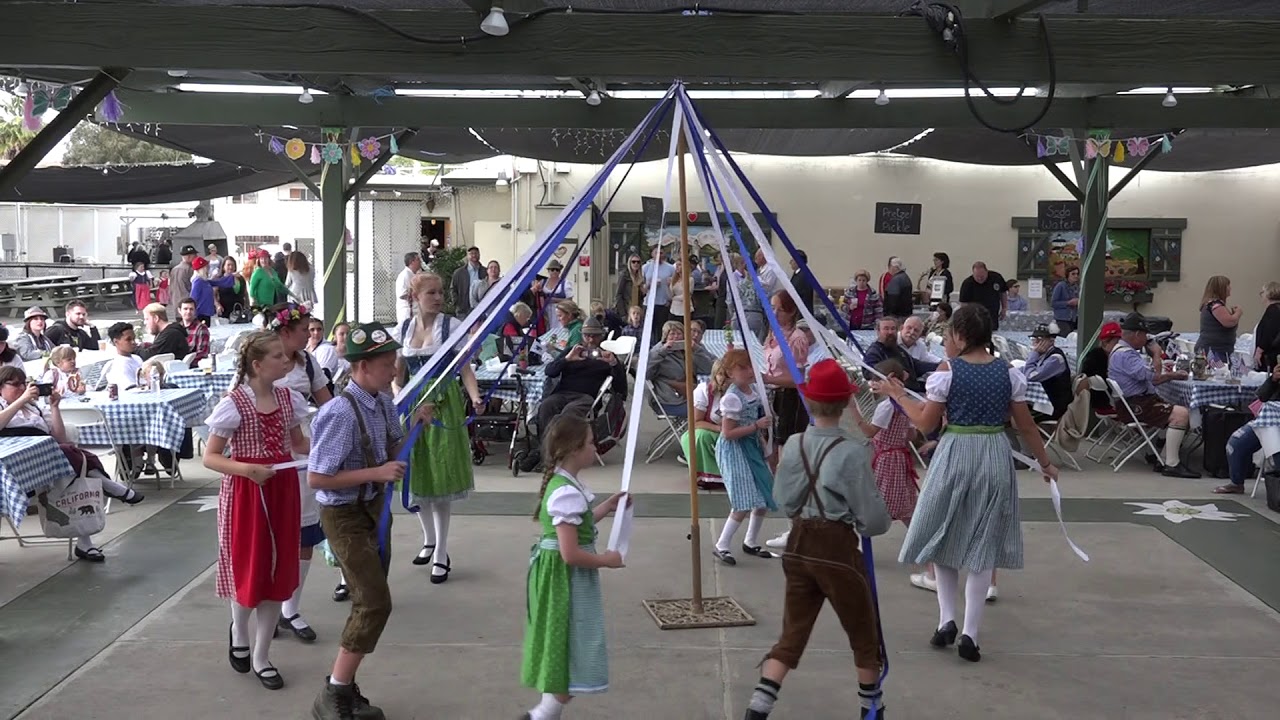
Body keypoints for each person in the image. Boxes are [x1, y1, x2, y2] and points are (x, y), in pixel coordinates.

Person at [871, 303, 1058, 662]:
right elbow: (1025, 425)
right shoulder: (1008, 372)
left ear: (958, 335)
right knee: (982, 543)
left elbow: (925, 424)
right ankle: (970, 633)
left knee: (943, 532)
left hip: (956, 453)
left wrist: (897, 395)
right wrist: (1045, 463)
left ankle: (946, 621)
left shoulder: (948, 371)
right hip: (993, 455)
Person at [743, 358, 891, 720]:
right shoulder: (854, 452)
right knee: (864, 635)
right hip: (836, 550)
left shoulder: (793, 445)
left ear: (809, 402)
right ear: (844, 405)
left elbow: (783, 498)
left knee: (792, 634)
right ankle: (871, 709)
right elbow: (874, 521)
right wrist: (860, 519)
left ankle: (758, 708)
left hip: (798, 546)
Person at [307, 323, 432, 719]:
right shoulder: (340, 412)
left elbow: (390, 451)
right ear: (361, 366)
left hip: (373, 509)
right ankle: (334, 692)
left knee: (370, 600)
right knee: (374, 601)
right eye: (386, 362)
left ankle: (344, 686)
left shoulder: (380, 403)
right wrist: (375, 474)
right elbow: (317, 477)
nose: (395, 369)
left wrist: (414, 428)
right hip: (344, 515)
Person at [202, 331, 309, 690]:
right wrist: (248, 469)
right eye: (278, 356)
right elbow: (210, 457)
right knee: (250, 567)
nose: (285, 360)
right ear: (258, 365)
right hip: (247, 493)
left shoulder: (288, 398)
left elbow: (298, 443)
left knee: (277, 572)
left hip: (281, 489)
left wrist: (335, 444)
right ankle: (239, 630)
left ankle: (262, 656)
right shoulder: (234, 403)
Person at [520, 415, 627, 720]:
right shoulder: (565, 492)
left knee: (563, 644)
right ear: (573, 449)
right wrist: (606, 560)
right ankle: (542, 714)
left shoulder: (565, 483)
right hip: (563, 580)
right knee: (566, 644)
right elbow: (569, 553)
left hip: (560, 576)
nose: (596, 448)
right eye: (591, 443)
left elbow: (577, 523)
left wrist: (607, 506)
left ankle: (544, 712)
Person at [0, 366, 143, 563]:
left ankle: (86, 540)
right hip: (20, 468)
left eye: (23, 383)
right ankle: (110, 490)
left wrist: (54, 408)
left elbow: (60, 437)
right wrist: (21, 399)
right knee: (73, 458)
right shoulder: (4, 406)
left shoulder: (34, 408)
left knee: (71, 462)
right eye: (15, 384)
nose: (21, 388)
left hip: (48, 463)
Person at [396, 272, 484, 583]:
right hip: (412, 404)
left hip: (443, 403)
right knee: (417, 475)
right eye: (431, 292)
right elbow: (397, 373)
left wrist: (474, 398)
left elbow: (465, 368)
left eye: (440, 291)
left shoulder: (452, 326)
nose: (438, 297)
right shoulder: (404, 329)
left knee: (441, 479)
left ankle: (441, 552)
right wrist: (400, 400)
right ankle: (428, 538)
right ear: (415, 297)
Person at [261, 302, 332, 641]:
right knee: (272, 534)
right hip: (270, 449)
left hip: (303, 447)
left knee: (304, 533)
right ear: (285, 331)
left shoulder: (309, 361)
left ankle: (291, 608)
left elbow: (328, 403)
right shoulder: (259, 359)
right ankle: (269, 607)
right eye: (305, 329)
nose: (310, 334)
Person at [1108, 313, 1200, 478]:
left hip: (1132, 403)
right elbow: (1155, 376)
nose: (1147, 340)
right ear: (1137, 334)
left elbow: (1152, 379)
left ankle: (1163, 458)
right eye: (1145, 336)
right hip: (1135, 406)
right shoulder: (1126, 355)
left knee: (1179, 409)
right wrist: (1157, 354)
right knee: (1181, 414)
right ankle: (1171, 464)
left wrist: (1172, 375)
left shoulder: (1120, 350)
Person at [712, 348, 777, 565]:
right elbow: (728, 433)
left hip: (752, 445)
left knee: (763, 495)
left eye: (750, 365)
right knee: (743, 499)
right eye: (742, 367)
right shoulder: (732, 397)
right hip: (736, 450)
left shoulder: (753, 390)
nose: (749, 371)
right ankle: (722, 544)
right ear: (730, 373)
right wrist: (756, 426)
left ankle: (750, 541)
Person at [537, 317, 627, 444]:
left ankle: (563, 447)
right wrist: (567, 359)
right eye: (587, 336)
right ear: (582, 336)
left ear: (601, 336)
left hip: (586, 397)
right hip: (563, 393)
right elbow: (550, 371)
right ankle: (546, 446)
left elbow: (620, 388)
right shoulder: (573, 351)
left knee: (570, 413)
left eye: (594, 336)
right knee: (546, 406)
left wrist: (613, 364)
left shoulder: (606, 356)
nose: (590, 340)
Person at [1215, 363, 1280, 494]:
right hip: (1269, 420)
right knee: (1235, 443)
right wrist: (1273, 379)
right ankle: (1236, 483)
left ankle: (1276, 491)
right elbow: (1262, 396)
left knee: (1276, 455)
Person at [760, 291, 811, 449]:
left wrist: (768, 379)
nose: (775, 313)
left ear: (792, 311)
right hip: (771, 395)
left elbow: (799, 380)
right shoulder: (773, 332)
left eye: (780, 310)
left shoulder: (797, 338)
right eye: (772, 308)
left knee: (785, 445)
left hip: (789, 398)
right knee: (769, 443)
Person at [681, 358, 727, 491]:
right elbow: (696, 422)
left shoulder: (740, 391)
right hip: (710, 429)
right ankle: (705, 477)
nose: (723, 379)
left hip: (735, 431)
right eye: (720, 374)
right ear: (714, 375)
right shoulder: (704, 391)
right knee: (700, 436)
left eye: (727, 375)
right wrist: (720, 429)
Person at [646, 320, 715, 407]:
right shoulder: (657, 351)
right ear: (665, 336)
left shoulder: (685, 349)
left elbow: (708, 369)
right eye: (672, 334)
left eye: (679, 334)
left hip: (690, 393)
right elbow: (646, 374)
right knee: (705, 410)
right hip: (671, 399)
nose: (676, 337)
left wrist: (696, 350)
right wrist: (662, 352)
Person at [862, 317, 938, 394]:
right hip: (898, 395)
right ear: (878, 331)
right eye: (886, 329)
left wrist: (938, 367)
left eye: (893, 329)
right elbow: (869, 372)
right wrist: (897, 373)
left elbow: (914, 364)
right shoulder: (875, 351)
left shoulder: (895, 348)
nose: (890, 332)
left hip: (915, 389)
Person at [1021, 324, 1073, 420]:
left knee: (1019, 413)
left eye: (1040, 339)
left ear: (1051, 341)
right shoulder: (1044, 354)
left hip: (1054, 407)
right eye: (1034, 339)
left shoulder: (1055, 358)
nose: (1035, 343)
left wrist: (1034, 354)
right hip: (1044, 402)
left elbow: (1030, 377)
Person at [1197, 275, 1242, 361]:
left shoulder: (1211, 304)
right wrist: (1238, 313)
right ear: (1221, 288)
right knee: (1219, 373)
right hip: (1214, 351)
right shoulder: (1215, 305)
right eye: (1228, 286)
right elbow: (1229, 322)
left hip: (1217, 349)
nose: (1230, 288)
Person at [958, 261, 1008, 331]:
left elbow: (1003, 293)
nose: (980, 279)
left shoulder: (996, 278)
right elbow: (964, 303)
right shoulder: (967, 284)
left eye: (982, 276)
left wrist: (1004, 308)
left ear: (987, 272)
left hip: (992, 313)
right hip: (975, 316)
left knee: (992, 332)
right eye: (977, 277)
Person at [640, 248, 676, 337]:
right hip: (648, 303)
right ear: (652, 254)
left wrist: (669, 300)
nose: (659, 255)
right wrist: (650, 284)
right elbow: (641, 288)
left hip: (663, 303)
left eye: (661, 253)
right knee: (649, 329)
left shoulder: (670, 268)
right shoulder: (645, 268)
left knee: (661, 329)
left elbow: (675, 286)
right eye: (656, 252)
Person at [99, 322, 144, 391]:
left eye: (133, 339)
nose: (133, 342)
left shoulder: (137, 358)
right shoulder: (119, 366)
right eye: (128, 340)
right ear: (116, 342)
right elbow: (130, 389)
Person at [1253, 281, 1280, 372]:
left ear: (1270, 293)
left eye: (1263, 292)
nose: (1261, 295)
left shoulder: (1273, 311)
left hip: (1270, 355)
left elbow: (1269, 332)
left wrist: (1259, 350)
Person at [541, 260, 575, 332]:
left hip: (560, 311)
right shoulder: (543, 282)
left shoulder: (565, 283)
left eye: (557, 270)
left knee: (560, 330)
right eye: (552, 269)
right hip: (546, 312)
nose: (555, 271)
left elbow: (570, 300)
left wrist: (554, 300)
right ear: (549, 271)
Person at [451, 246, 484, 317]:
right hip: (463, 310)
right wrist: (457, 303)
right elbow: (453, 288)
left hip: (481, 309)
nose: (474, 255)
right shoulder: (459, 272)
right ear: (467, 256)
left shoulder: (485, 271)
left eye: (476, 253)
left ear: (479, 255)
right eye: (471, 253)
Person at [179, 298, 212, 366]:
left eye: (191, 309)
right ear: (179, 311)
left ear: (195, 311)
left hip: (194, 367)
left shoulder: (202, 329)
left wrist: (184, 361)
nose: (188, 311)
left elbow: (203, 353)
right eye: (185, 309)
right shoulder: (176, 328)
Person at [169, 244, 197, 320]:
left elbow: (170, 288)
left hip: (177, 304)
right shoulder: (190, 270)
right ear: (189, 256)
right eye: (194, 256)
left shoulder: (174, 269)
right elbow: (193, 288)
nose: (196, 257)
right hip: (188, 305)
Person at [1050, 266, 1080, 337]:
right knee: (1066, 333)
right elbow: (1053, 303)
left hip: (1073, 317)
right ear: (1068, 275)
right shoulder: (1060, 286)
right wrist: (1068, 303)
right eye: (1073, 274)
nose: (1076, 276)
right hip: (1062, 318)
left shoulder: (1077, 287)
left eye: (1077, 274)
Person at [614, 252, 644, 318]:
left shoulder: (640, 277)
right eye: (633, 262)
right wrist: (623, 313)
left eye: (638, 262)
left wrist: (644, 292)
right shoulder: (624, 275)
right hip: (626, 309)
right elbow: (618, 295)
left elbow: (641, 297)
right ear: (629, 263)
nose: (636, 264)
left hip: (636, 311)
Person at [395, 252, 422, 326]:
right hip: (407, 312)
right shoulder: (405, 276)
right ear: (412, 262)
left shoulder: (415, 274)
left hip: (416, 311)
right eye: (418, 260)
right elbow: (402, 295)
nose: (420, 262)